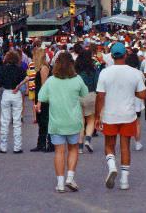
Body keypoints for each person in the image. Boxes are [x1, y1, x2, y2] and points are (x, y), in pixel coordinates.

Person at [95, 42, 146, 191]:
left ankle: (112, 166)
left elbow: (100, 96)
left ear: (111, 56)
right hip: (128, 115)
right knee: (126, 147)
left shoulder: (105, 73)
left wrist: (98, 115)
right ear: (125, 55)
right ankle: (124, 181)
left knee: (109, 145)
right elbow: (143, 95)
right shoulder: (134, 73)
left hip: (110, 114)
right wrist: (132, 92)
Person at [37, 53, 88, 193]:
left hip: (56, 122)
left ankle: (60, 183)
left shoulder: (51, 80)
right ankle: (70, 178)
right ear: (72, 64)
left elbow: (42, 96)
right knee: (73, 149)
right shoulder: (77, 79)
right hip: (73, 122)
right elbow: (85, 93)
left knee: (59, 152)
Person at [0, 50, 26, 154]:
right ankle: (17, 147)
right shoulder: (20, 69)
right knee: (17, 121)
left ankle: (3, 147)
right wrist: (19, 86)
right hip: (16, 94)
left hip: (6, 93)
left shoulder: (1, 69)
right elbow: (27, 77)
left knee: (4, 121)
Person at [75, 50, 99, 154]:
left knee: (81, 121)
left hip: (78, 96)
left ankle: (79, 146)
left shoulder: (76, 70)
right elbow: (97, 83)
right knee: (91, 120)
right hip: (90, 95)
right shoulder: (93, 69)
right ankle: (88, 140)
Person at [30, 47, 52, 152]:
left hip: (43, 98)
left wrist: (39, 101)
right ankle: (41, 143)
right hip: (40, 96)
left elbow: (44, 85)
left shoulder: (44, 68)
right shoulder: (41, 68)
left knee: (45, 120)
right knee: (41, 121)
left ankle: (48, 143)